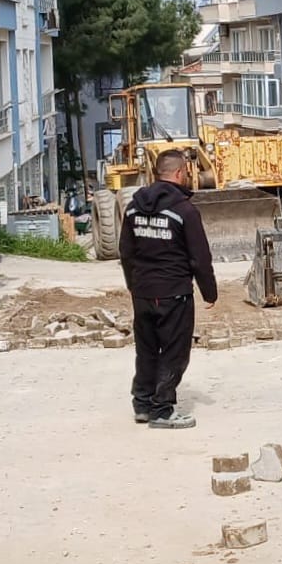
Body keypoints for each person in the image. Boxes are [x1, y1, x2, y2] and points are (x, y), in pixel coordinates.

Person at [120, 151, 218, 429]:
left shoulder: (132, 207)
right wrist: (209, 292)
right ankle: (162, 409)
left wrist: (132, 284)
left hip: (143, 292)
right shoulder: (184, 210)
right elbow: (199, 257)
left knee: (147, 349)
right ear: (178, 173)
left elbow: (125, 251)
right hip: (174, 293)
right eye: (185, 172)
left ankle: (142, 404)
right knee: (174, 352)